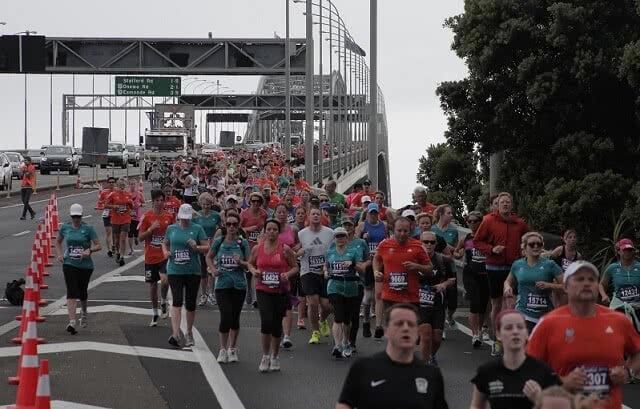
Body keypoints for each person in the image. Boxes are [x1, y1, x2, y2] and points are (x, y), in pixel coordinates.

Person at [527, 261, 640, 409]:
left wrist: (627, 371)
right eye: (580, 279)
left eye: (591, 279)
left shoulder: (618, 321)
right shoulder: (549, 323)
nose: (586, 283)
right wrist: (562, 382)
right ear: (566, 287)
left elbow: (637, 352)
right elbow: (528, 368)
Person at [336, 303, 449, 409]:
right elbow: (344, 405)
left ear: (417, 332)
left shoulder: (431, 374)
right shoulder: (363, 368)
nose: (406, 328)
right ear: (386, 331)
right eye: (399, 323)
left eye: (411, 324)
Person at [474, 192, 529, 356]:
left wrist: (526, 252)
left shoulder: (519, 223)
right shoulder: (488, 220)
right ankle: (496, 340)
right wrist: (491, 249)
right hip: (494, 267)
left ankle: (509, 339)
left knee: (510, 304)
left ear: (512, 205)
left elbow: (529, 238)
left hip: (514, 268)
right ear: (497, 205)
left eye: (508, 202)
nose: (505, 205)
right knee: (497, 304)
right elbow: (477, 241)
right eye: (502, 202)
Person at [470, 310, 560, 409]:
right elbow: (476, 406)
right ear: (498, 334)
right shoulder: (487, 371)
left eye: (520, 327)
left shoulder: (544, 372)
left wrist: (539, 400)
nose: (515, 332)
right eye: (508, 328)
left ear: (526, 333)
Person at [248, 219, 298, 372]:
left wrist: (287, 274)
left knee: (276, 326)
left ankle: (275, 356)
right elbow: (250, 263)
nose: (271, 232)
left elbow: (295, 267)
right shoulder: (258, 248)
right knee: (266, 322)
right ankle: (265, 356)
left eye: (274, 229)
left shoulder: (285, 250)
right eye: (268, 229)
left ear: (278, 232)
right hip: (263, 289)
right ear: (265, 231)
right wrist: (253, 271)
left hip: (280, 291)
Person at [372, 217, 432, 338]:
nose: (402, 234)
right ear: (393, 230)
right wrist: (376, 271)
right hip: (390, 295)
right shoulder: (385, 244)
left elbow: (429, 268)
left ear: (410, 231)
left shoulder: (417, 246)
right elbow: (377, 259)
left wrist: (417, 266)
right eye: (399, 230)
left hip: (411, 296)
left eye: (405, 231)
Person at [162, 204, 209, 348]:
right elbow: (165, 243)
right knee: (176, 301)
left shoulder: (197, 229)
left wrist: (196, 247)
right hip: (175, 270)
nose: (185, 221)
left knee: (190, 303)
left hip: (192, 270)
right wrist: (165, 252)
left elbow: (207, 247)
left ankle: (189, 332)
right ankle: (175, 334)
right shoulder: (171, 228)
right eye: (183, 218)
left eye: (187, 218)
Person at [206, 212, 250, 364]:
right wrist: (213, 269)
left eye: (234, 224)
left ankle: (232, 348)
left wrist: (241, 263)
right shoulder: (219, 241)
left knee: (235, 317)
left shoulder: (242, 243)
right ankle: (222, 349)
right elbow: (209, 256)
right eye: (229, 224)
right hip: (223, 284)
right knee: (225, 316)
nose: (231, 227)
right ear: (225, 225)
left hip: (239, 285)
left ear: (238, 226)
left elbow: (249, 264)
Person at [54, 204, 102, 334]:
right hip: (69, 264)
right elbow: (58, 241)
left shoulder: (88, 228)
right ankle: (72, 322)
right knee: (71, 291)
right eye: (74, 216)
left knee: (82, 292)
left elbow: (99, 245)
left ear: (81, 216)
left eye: (78, 217)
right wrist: (59, 254)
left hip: (85, 266)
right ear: (71, 216)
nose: (76, 219)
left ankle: (84, 312)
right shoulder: (65, 228)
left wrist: (89, 250)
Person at [503, 232, 563, 333]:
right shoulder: (518, 265)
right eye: (531, 244)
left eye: (539, 244)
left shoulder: (550, 265)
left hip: (545, 314)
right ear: (525, 247)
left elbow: (566, 286)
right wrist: (507, 287)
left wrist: (549, 285)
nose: (535, 246)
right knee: (526, 346)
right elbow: (508, 281)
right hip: (523, 313)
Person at [325, 226, 366, 358]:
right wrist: (326, 272)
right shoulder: (330, 252)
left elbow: (361, 269)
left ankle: (346, 342)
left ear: (347, 238)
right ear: (334, 238)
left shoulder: (353, 251)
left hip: (351, 287)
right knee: (338, 316)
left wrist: (352, 264)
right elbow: (326, 266)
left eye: (343, 236)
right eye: (338, 236)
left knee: (347, 319)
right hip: (334, 286)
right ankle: (337, 346)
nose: (340, 238)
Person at [418, 231, 456, 366]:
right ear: (420, 243)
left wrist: (444, 284)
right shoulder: (414, 258)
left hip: (437, 303)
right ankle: (423, 365)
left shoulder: (442, 260)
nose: (429, 245)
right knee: (426, 334)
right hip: (419, 304)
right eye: (425, 242)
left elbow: (452, 279)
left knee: (437, 337)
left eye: (432, 242)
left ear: (436, 244)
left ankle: (431, 355)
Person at [298, 207, 335, 344]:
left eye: (318, 214)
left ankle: (322, 320)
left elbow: (334, 249)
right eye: (313, 214)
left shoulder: (329, 233)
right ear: (308, 216)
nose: (315, 216)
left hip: (325, 272)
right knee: (313, 303)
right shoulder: (302, 234)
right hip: (307, 271)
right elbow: (295, 250)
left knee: (327, 306)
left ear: (321, 216)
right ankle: (315, 332)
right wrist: (298, 252)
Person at [138, 189, 174, 326]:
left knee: (165, 280)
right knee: (153, 286)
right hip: (150, 256)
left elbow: (172, 234)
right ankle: (154, 313)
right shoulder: (146, 216)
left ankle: (163, 301)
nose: (160, 203)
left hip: (164, 255)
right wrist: (151, 229)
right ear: (152, 202)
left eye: (161, 200)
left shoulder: (169, 216)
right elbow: (140, 238)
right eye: (157, 200)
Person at [454, 211, 490, 347]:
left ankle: (482, 329)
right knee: (475, 302)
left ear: (481, 222)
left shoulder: (488, 238)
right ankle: (475, 335)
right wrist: (459, 253)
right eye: (470, 221)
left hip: (486, 274)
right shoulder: (467, 239)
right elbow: (456, 252)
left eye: (476, 221)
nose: (473, 224)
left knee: (484, 305)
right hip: (471, 274)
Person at [356, 202, 388, 339]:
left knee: (379, 294)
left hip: (381, 261)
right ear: (367, 213)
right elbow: (356, 242)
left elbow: (387, 240)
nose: (374, 215)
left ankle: (379, 325)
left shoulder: (384, 225)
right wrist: (363, 238)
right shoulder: (362, 225)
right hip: (369, 262)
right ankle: (366, 321)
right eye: (371, 213)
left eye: (376, 213)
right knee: (368, 295)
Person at [273, 203, 301, 349]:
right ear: (275, 213)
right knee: (273, 303)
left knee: (287, 304)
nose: (282, 214)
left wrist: (295, 249)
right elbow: (261, 243)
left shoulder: (293, 229)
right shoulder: (270, 229)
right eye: (279, 212)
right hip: (272, 271)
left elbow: (298, 244)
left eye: (284, 212)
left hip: (289, 270)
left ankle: (287, 336)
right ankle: (275, 331)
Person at [599, 238, 640, 330]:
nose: (627, 252)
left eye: (630, 250)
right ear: (618, 251)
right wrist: (604, 295)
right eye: (624, 250)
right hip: (619, 304)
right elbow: (601, 284)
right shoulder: (612, 268)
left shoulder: (639, 266)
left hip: (637, 304)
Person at [432, 204, 460, 330]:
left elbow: (456, 250)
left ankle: (450, 315)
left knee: (453, 300)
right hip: (437, 268)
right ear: (441, 214)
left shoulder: (453, 231)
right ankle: (440, 323)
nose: (451, 215)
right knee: (439, 298)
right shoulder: (432, 230)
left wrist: (449, 248)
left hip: (450, 267)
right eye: (449, 213)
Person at [193, 192, 222, 306]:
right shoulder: (196, 215)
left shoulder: (216, 215)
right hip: (201, 245)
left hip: (213, 246)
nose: (206, 206)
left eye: (208, 204)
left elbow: (221, 228)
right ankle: (203, 294)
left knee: (211, 270)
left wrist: (216, 239)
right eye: (204, 204)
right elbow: (193, 230)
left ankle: (211, 294)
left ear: (211, 204)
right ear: (200, 204)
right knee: (203, 271)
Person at [550, 229, 582, 307]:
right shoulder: (560, 250)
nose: (572, 239)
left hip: (567, 282)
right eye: (570, 237)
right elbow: (549, 262)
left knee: (563, 304)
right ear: (564, 239)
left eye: (574, 237)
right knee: (555, 304)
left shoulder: (578, 256)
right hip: (556, 280)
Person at [106, 178, 133, 266]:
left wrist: (130, 203)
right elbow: (105, 205)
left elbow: (132, 207)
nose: (122, 187)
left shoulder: (128, 194)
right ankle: (117, 252)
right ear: (117, 186)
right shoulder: (113, 194)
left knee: (123, 238)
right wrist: (114, 206)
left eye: (123, 185)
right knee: (117, 240)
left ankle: (122, 256)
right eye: (120, 185)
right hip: (115, 220)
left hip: (126, 219)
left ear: (125, 186)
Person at [98, 177, 116, 257]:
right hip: (107, 214)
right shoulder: (104, 193)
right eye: (110, 182)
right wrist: (104, 202)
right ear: (107, 183)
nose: (111, 183)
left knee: (115, 233)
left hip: (116, 215)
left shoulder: (117, 192)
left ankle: (114, 246)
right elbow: (100, 201)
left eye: (113, 182)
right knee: (108, 232)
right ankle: (109, 250)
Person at [127, 178, 144, 256]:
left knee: (136, 232)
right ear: (129, 185)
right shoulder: (126, 194)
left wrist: (139, 205)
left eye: (134, 184)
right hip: (129, 216)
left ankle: (136, 238)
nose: (132, 186)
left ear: (136, 185)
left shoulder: (139, 194)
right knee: (130, 232)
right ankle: (131, 249)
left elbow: (144, 203)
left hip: (137, 216)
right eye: (131, 184)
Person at [19, 156, 36, 220]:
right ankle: (32, 212)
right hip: (23, 186)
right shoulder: (24, 167)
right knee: (24, 201)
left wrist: (25, 169)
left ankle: (23, 215)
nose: (25, 162)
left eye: (26, 160)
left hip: (29, 186)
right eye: (24, 160)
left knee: (26, 201)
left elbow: (28, 175)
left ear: (29, 161)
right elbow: (21, 174)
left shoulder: (32, 167)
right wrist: (22, 169)